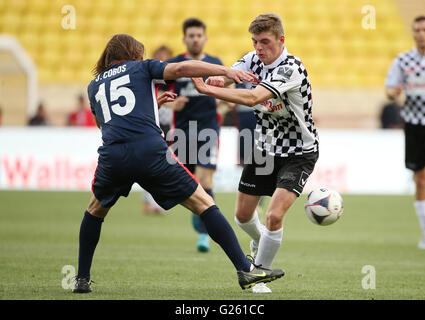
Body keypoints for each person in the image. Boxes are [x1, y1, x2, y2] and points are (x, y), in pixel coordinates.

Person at [72, 33, 284, 293]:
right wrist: (225, 70)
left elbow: (106, 124)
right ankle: (245, 269)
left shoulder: (94, 86)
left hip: (114, 156)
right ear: (133, 53)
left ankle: (81, 278)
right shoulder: (143, 67)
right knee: (204, 203)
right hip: (150, 151)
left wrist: (151, 105)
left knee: (95, 210)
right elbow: (182, 68)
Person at [192, 13, 319, 293]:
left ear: (281, 40)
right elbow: (225, 79)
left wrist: (208, 91)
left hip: (299, 151)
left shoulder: (290, 68)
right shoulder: (252, 60)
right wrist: (216, 79)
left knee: (274, 216)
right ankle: (262, 243)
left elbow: (252, 98)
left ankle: (258, 275)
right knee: (242, 216)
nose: (259, 48)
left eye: (264, 42)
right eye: (255, 42)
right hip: (264, 149)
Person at [160, 18, 224, 253]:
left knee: (205, 181)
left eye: (199, 35)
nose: (195, 39)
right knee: (190, 186)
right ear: (184, 39)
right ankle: (202, 224)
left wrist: (223, 99)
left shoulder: (215, 63)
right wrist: (169, 105)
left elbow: (227, 90)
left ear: (205, 39)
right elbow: (156, 92)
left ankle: (204, 235)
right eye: (191, 35)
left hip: (209, 130)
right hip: (183, 132)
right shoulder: (174, 65)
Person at [385, 16, 425, 249]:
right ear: (413, 33)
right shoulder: (403, 60)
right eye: (416, 29)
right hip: (414, 125)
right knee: (420, 180)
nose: (420, 33)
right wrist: (394, 92)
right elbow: (389, 91)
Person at [142, 45, 174, 215]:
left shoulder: (173, 82)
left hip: (168, 129)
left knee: (162, 167)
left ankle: (155, 202)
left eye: (166, 57)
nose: (163, 61)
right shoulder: (150, 80)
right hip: (152, 127)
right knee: (151, 167)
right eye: (160, 57)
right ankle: (150, 203)